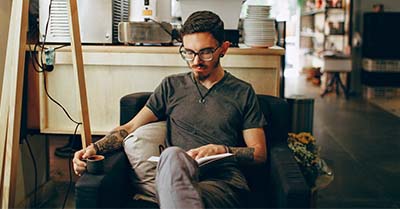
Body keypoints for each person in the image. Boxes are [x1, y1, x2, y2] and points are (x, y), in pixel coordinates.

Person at [73, 10, 267, 209]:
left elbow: (259, 153)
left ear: (224, 48)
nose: (196, 61)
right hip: (174, 180)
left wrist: (223, 150)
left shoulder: (242, 92)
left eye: (205, 52)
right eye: (189, 52)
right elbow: (129, 128)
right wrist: (92, 149)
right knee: (172, 156)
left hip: (221, 184)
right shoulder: (171, 86)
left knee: (182, 194)